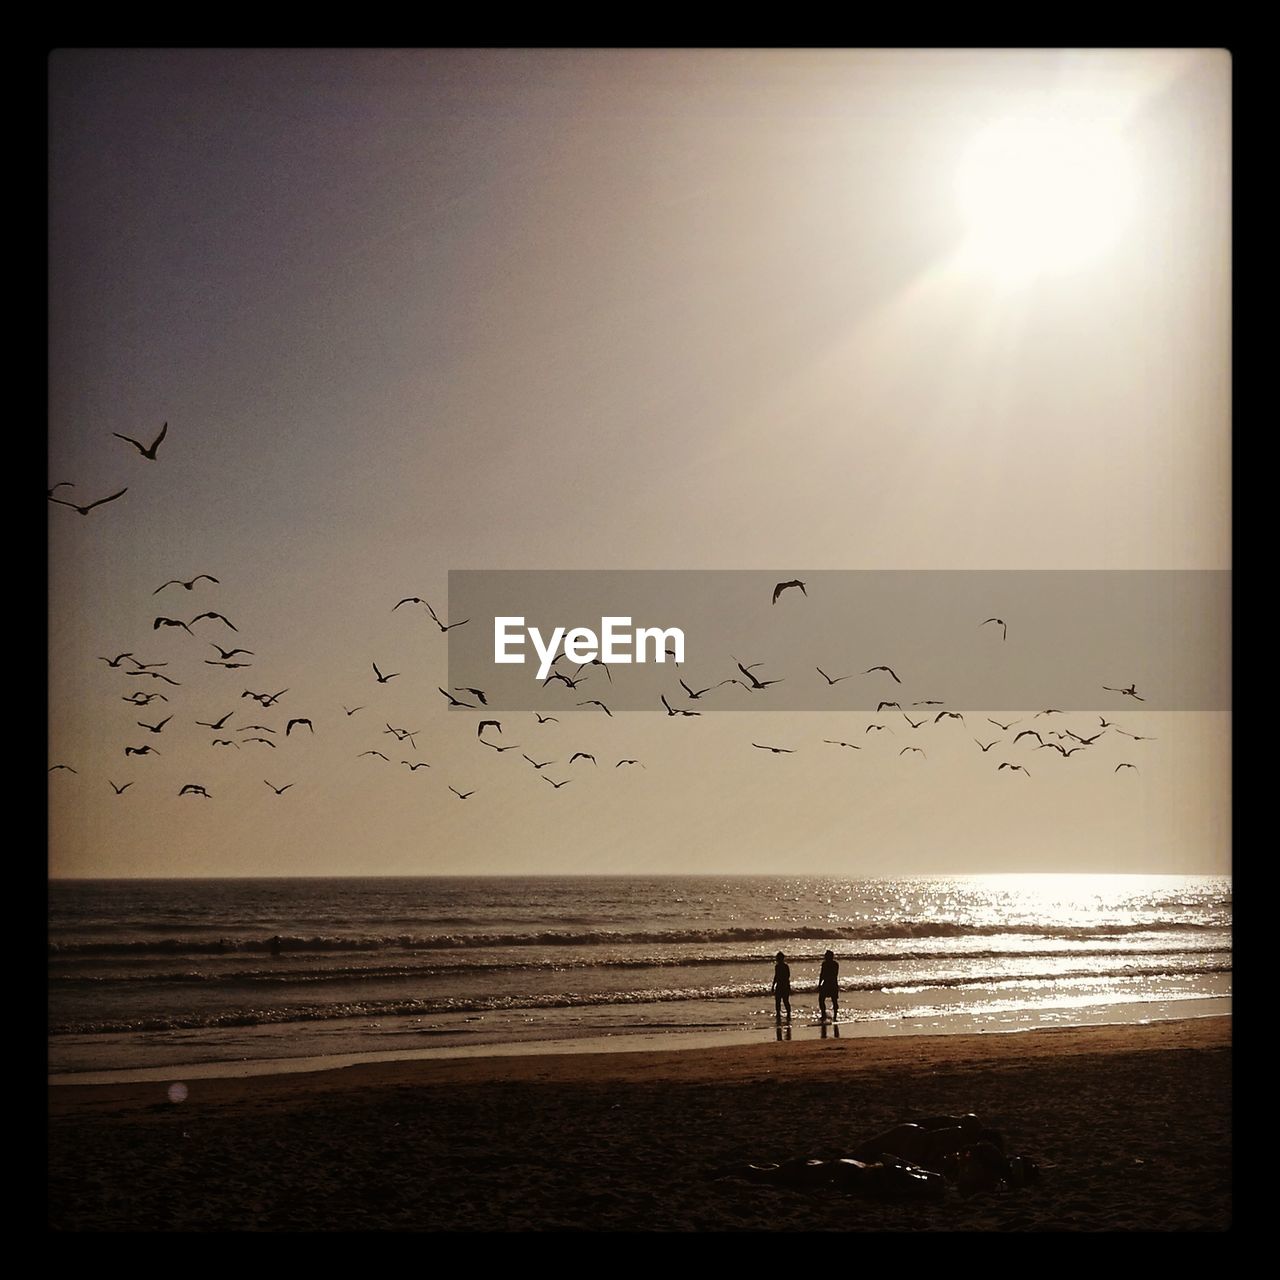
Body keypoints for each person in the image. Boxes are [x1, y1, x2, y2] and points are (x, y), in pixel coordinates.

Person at [818, 949, 839, 1020]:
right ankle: (824, 1014)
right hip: (829, 984)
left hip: (831, 984)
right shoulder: (827, 964)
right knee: (821, 999)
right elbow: (821, 974)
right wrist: (819, 983)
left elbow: (833, 975)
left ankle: (835, 1015)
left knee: (834, 1000)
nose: (825, 957)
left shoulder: (834, 964)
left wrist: (820, 983)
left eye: (826, 956)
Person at [771, 951, 791, 1020]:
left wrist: (774, 985)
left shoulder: (783, 966)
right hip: (783, 985)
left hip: (782, 985)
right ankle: (780, 1013)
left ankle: (787, 1013)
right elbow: (776, 976)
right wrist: (773, 985)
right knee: (779, 1001)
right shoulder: (780, 966)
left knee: (783, 1001)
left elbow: (786, 976)